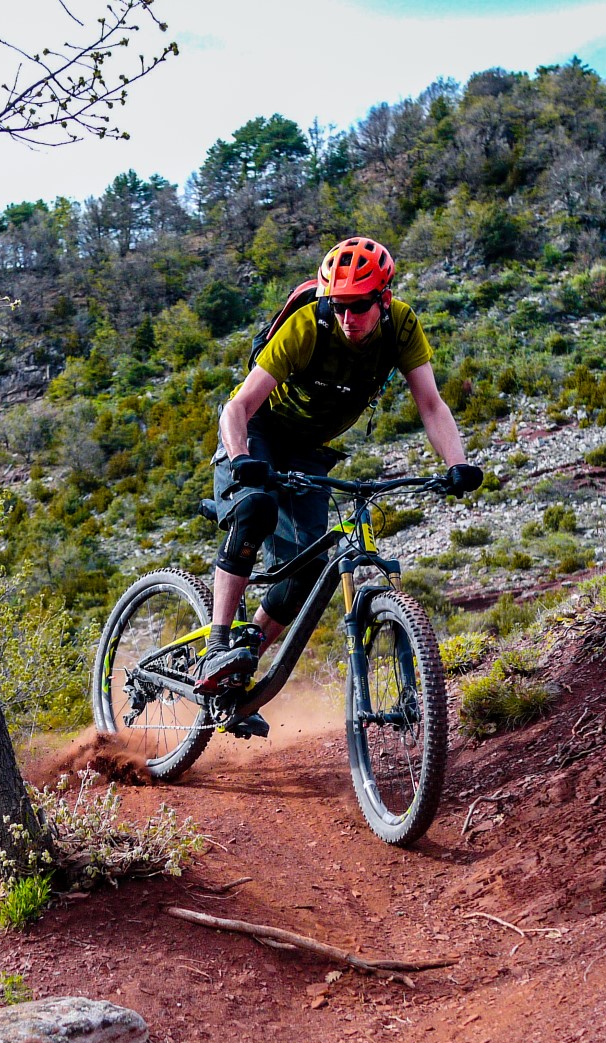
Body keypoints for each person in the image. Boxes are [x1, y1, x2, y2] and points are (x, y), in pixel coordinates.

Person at [199, 236, 482, 698]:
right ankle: (216, 645)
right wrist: (243, 459)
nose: (348, 317)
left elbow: (430, 404)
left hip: (310, 448)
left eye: (360, 306)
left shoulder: (402, 327)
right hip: (260, 430)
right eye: (340, 305)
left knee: (308, 571)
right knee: (255, 511)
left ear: (383, 299)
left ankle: (240, 666)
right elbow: (237, 408)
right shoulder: (310, 324)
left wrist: (459, 464)